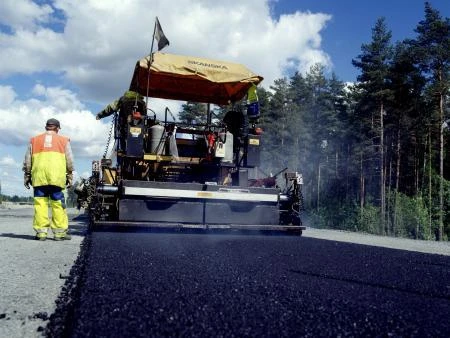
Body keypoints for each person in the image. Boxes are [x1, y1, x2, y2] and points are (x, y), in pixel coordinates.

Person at [23, 118, 75, 241]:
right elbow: (70, 161)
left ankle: (41, 233)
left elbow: (27, 161)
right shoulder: (63, 140)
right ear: (57, 128)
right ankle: (59, 233)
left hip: (39, 178)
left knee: (40, 204)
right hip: (56, 178)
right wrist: (69, 176)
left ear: (46, 127)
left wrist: (27, 176)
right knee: (58, 205)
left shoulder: (34, 140)